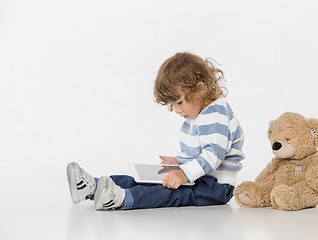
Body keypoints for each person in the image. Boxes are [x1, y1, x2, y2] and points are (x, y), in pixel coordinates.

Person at [66, 52, 245, 210]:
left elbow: (213, 155)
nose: (177, 110)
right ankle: (94, 188)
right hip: (200, 177)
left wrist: (183, 173)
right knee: (141, 180)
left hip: (216, 187)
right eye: (173, 105)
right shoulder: (200, 113)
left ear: (201, 88)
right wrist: (180, 162)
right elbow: (203, 150)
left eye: (180, 102)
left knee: (168, 192)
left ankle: (122, 199)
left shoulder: (216, 114)